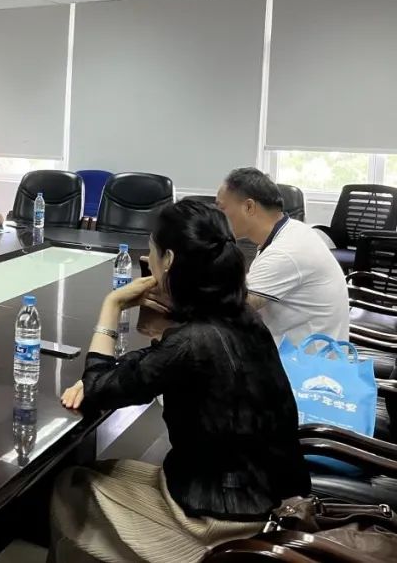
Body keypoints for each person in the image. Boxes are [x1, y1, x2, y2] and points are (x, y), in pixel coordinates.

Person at [51, 199, 310, 563]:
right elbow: (162, 360)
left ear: (169, 260)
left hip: (222, 519)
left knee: (70, 485)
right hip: (268, 493)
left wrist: (112, 305)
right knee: (100, 471)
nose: (149, 259)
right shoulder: (240, 317)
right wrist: (138, 354)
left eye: (153, 250)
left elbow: (95, 389)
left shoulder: (192, 342)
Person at [216, 167, 348, 344]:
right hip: (302, 349)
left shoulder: (285, 251)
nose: (218, 216)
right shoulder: (292, 231)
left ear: (249, 207)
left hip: (306, 358)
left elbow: (233, 307)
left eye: (221, 208)